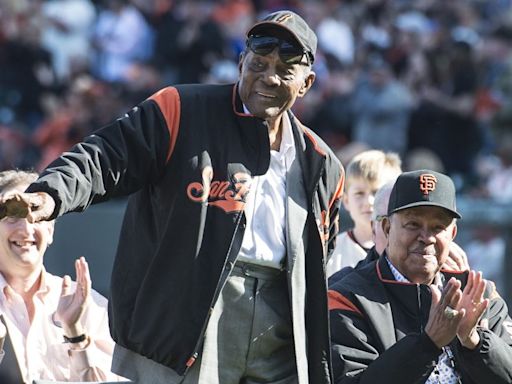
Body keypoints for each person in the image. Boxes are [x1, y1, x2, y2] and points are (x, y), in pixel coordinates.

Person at [0, 10, 344, 384]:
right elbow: (105, 157)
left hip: (279, 330)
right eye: (258, 64)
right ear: (240, 62)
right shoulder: (181, 108)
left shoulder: (322, 162)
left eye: (284, 70)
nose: (269, 77)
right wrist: (51, 194)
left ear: (307, 83)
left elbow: (317, 261)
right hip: (187, 318)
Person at [329, 169, 512, 383]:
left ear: (452, 234)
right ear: (387, 228)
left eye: (438, 227)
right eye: (413, 224)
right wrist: (428, 344)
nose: (427, 238)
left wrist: (475, 340)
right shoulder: (348, 297)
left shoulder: (479, 294)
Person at [0, 170, 121, 383]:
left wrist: (75, 333)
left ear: (51, 231)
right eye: (12, 216)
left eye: (37, 216)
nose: (26, 229)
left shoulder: (87, 304)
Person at [326, 150, 401, 277]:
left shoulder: (404, 248)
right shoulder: (332, 252)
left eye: (377, 192)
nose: (369, 201)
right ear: (346, 201)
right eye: (359, 193)